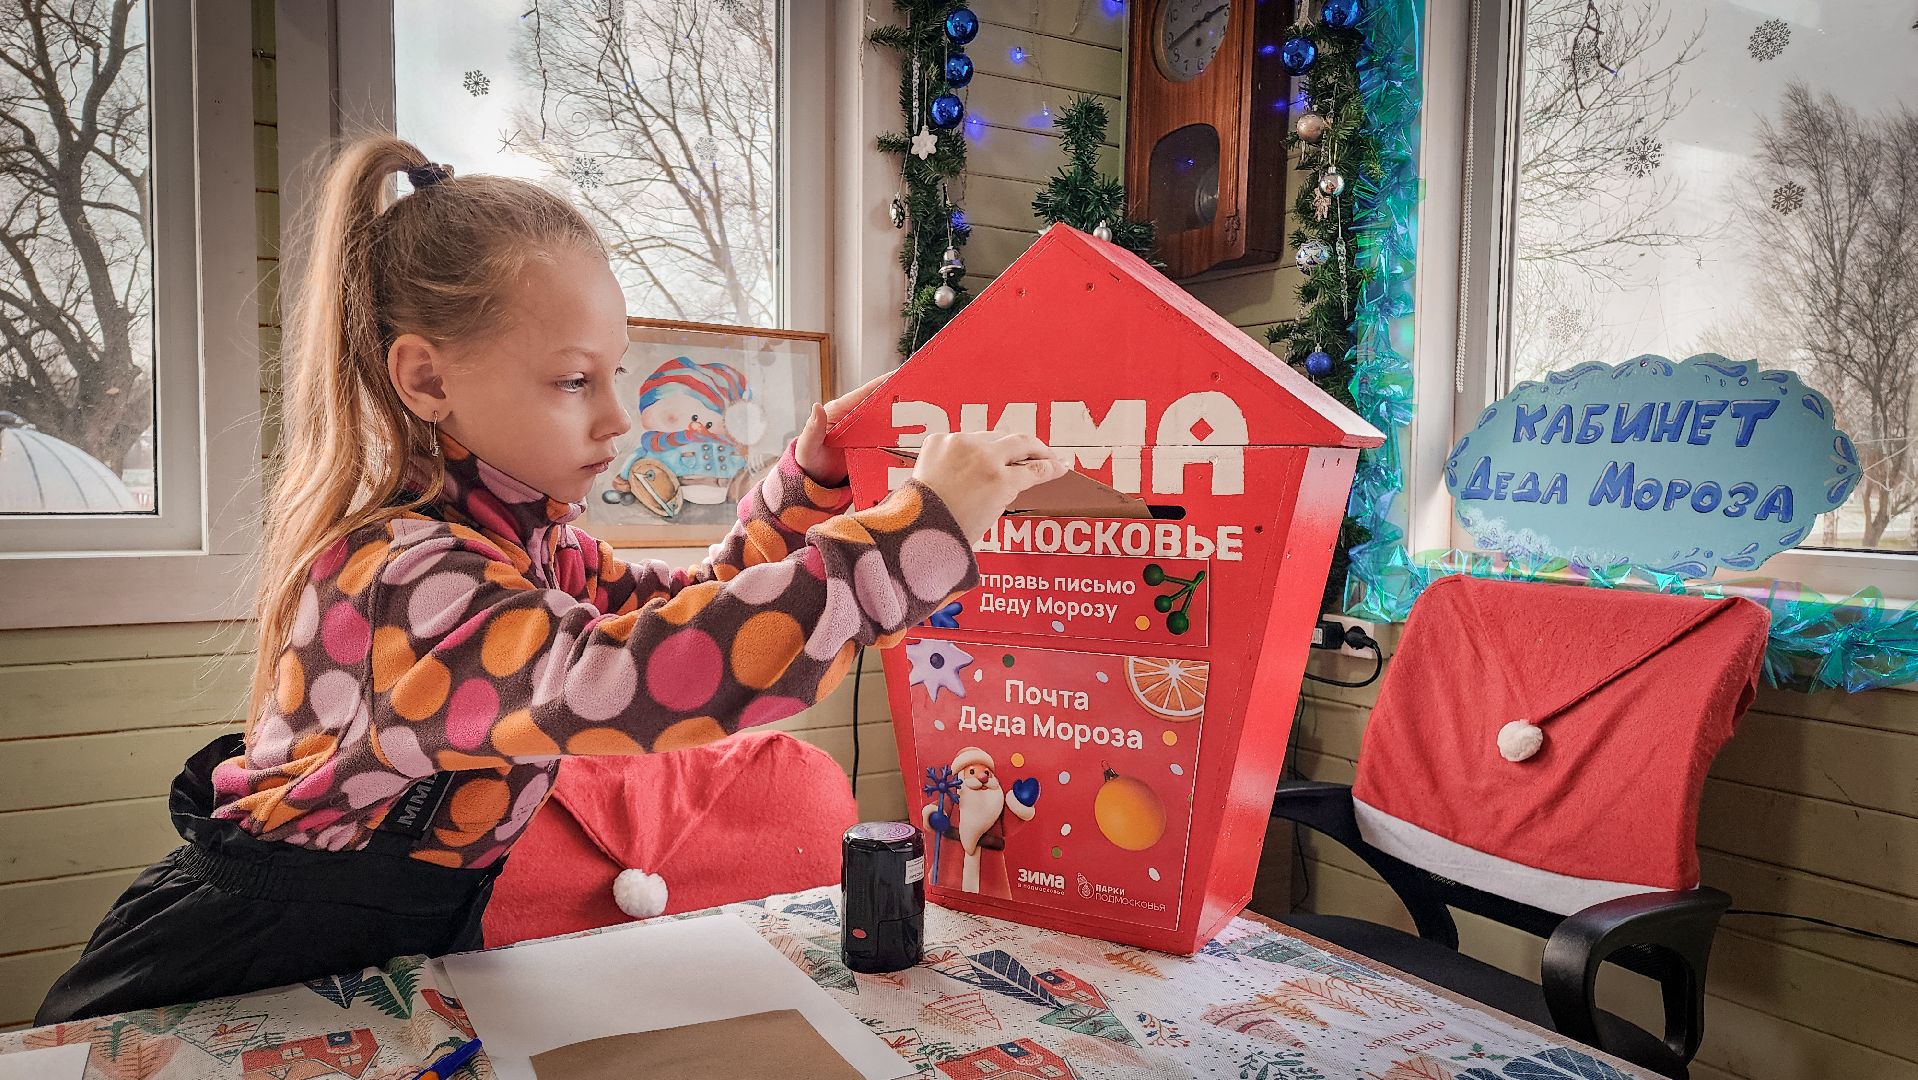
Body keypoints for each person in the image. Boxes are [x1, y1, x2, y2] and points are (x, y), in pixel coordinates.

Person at [36, 136, 1067, 1025]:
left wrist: (815, 478)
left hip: (375, 957)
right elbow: (645, 676)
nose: (616, 417)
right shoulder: (406, 577)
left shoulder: (527, 545)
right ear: (427, 378)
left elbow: (678, 610)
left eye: (617, 372)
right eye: (575, 380)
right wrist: (912, 535)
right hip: (224, 971)